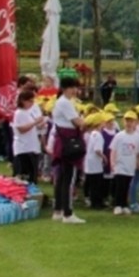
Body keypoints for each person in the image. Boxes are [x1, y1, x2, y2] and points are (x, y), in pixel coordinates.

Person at [51, 76, 86, 224]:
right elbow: (78, 122)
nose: (75, 90)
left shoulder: (64, 102)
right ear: (65, 88)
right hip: (68, 142)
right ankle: (68, 213)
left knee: (61, 177)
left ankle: (58, 210)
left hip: (64, 141)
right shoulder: (64, 102)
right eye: (72, 87)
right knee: (69, 178)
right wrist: (87, 120)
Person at [109, 111, 139, 216]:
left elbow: (138, 152)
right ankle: (117, 205)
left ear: (135, 123)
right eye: (127, 121)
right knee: (120, 185)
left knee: (126, 185)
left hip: (130, 165)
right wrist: (112, 163)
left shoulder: (138, 137)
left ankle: (124, 204)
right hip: (120, 164)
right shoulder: (119, 136)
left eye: (131, 121)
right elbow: (113, 150)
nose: (129, 123)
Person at [11, 89, 45, 184]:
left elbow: (32, 126)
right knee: (23, 176)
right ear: (23, 100)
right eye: (30, 101)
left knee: (32, 175)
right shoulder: (19, 113)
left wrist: (40, 124)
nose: (32, 103)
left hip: (32, 146)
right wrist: (35, 122)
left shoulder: (29, 112)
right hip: (23, 148)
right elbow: (21, 129)